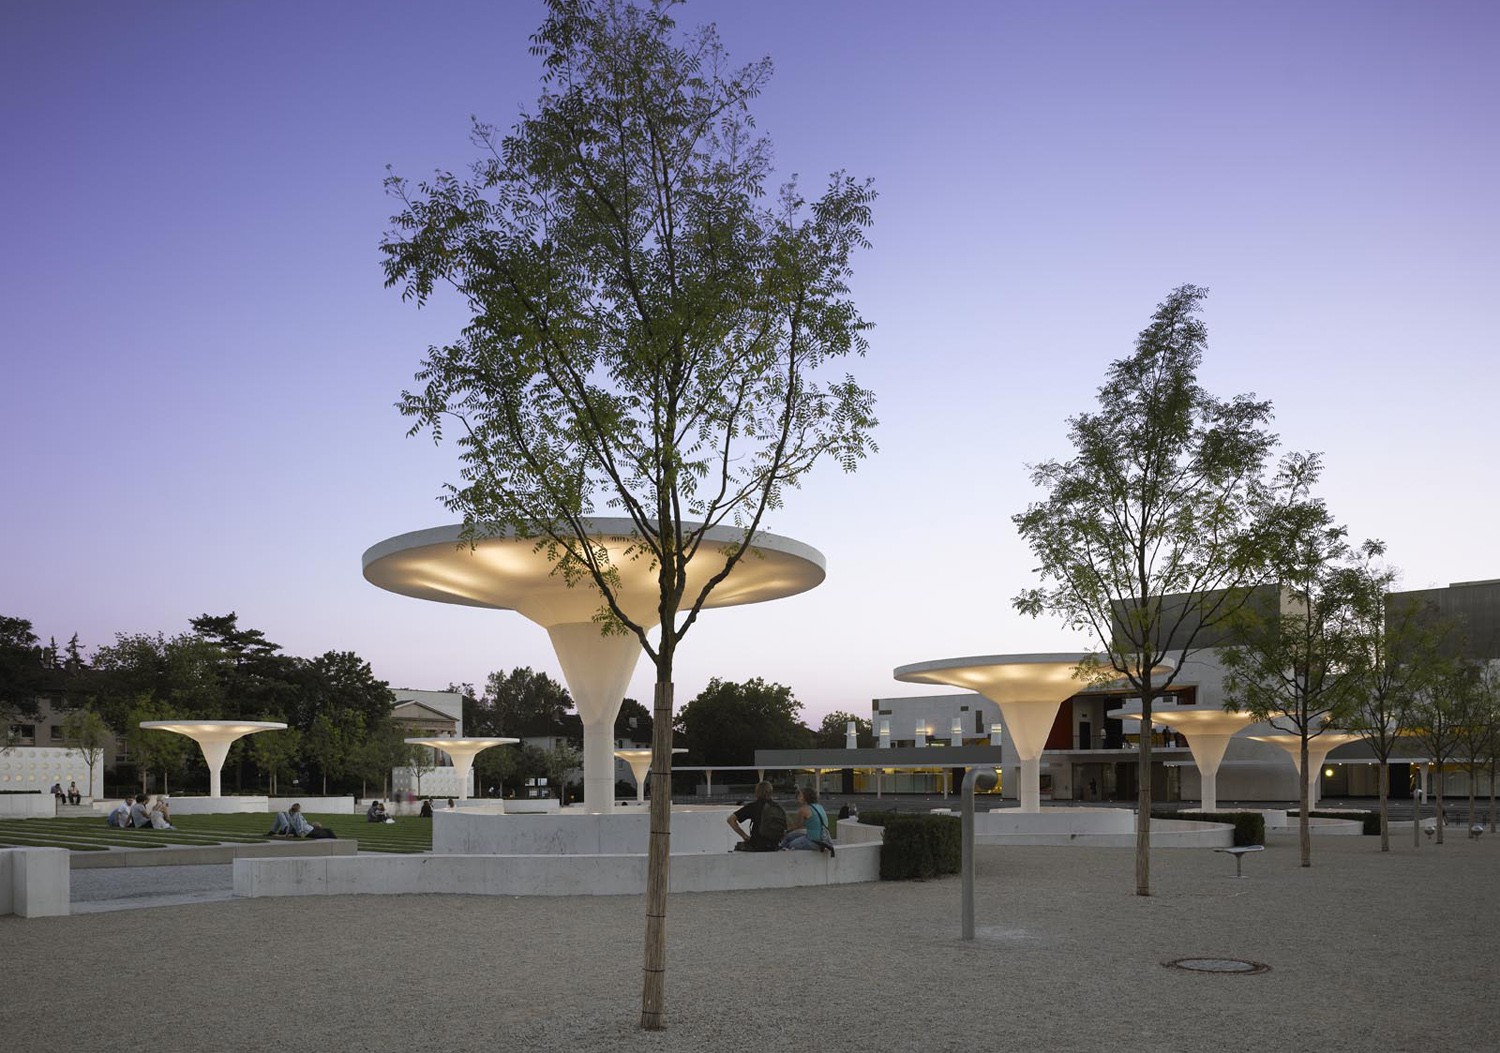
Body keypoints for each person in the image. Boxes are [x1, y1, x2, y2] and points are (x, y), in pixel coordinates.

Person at [727, 781, 786, 852]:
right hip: (774, 845)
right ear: (771, 792)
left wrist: (744, 836)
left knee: (738, 847)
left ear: (757, 792)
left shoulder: (753, 806)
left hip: (757, 845)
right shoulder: (777, 807)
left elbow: (730, 820)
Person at [780, 785, 835, 856]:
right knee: (790, 836)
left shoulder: (804, 810)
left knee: (790, 844)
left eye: (800, 796)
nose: (798, 797)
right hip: (824, 839)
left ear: (806, 797)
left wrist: (784, 830)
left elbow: (797, 826)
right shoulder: (819, 806)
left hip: (813, 841)